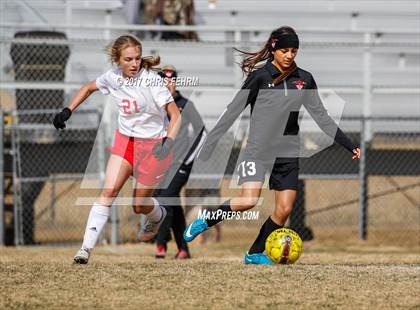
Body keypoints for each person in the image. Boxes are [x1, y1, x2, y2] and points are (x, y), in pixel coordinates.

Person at [184, 26, 361, 264]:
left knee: (285, 209)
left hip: (288, 151)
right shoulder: (260, 76)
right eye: (285, 50)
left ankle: (254, 253)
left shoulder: (304, 79)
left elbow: (322, 117)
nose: (290, 55)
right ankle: (206, 220)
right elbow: (232, 111)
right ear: (274, 49)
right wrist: (211, 142)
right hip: (257, 149)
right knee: (248, 201)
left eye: (294, 51)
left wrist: (349, 144)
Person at [52, 34, 181, 264]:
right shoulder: (112, 77)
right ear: (117, 60)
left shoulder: (151, 81)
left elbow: (175, 116)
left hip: (154, 146)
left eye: (138, 59)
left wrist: (168, 143)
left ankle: (158, 214)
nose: (134, 64)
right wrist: (67, 111)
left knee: (139, 205)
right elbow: (88, 88)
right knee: (108, 192)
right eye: (129, 59)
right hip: (125, 141)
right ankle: (84, 251)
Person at [152, 64, 206, 259]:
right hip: (159, 165)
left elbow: (202, 132)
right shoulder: (154, 104)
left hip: (179, 163)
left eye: (172, 81)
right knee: (171, 203)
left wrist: (187, 159)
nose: (168, 84)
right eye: (164, 81)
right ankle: (183, 248)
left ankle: (160, 243)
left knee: (166, 198)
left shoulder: (184, 104)